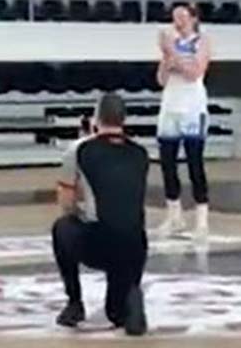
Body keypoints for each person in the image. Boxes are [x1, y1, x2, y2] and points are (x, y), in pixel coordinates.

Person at [52, 93, 148, 336]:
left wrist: (80, 212)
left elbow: (66, 202)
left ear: (96, 118)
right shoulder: (141, 153)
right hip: (136, 245)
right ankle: (131, 295)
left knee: (62, 227)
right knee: (116, 314)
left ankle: (74, 303)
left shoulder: (80, 149)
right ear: (124, 119)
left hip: (101, 241)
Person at [156, 3, 212, 239]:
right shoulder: (171, 45)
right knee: (167, 163)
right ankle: (174, 216)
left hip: (192, 108)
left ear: (193, 18)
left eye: (182, 16)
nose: (177, 21)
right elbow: (161, 79)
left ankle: (201, 219)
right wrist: (167, 58)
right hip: (170, 105)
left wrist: (172, 53)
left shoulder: (201, 41)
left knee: (194, 163)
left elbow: (194, 72)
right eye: (174, 17)